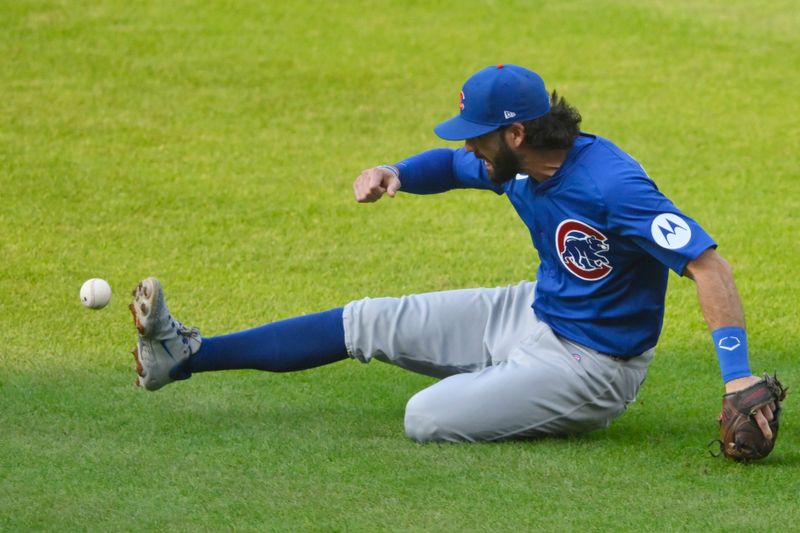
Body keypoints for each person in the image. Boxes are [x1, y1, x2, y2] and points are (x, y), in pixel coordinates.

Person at [129, 64, 775, 443]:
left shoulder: (613, 185)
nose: (469, 148)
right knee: (369, 318)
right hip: (534, 312)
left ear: (516, 133)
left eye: (478, 136)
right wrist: (394, 172)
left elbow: (708, 264)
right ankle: (184, 355)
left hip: (596, 365)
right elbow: (445, 164)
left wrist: (738, 376)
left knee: (424, 416)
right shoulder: (517, 166)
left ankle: (534, 396)